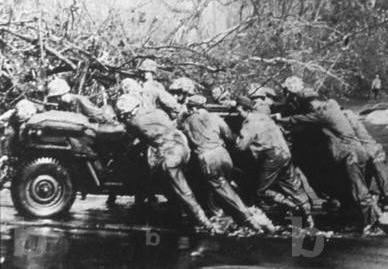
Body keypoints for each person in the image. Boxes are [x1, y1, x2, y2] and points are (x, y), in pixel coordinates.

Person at [276, 87, 379, 231]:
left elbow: (303, 119)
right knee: (353, 190)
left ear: (315, 101)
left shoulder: (324, 112)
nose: (309, 108)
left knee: (359, 192)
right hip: (356, 152)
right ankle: (364, 221)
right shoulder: (331, 106)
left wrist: (280, 119)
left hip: (351, 155)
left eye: (309, 104)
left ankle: (370, 225)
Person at [114, 93, 213, 230]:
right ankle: (183, 210)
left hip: (170, 155)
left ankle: (204, 223)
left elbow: (124, 135)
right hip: (183, 146)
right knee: (167, 181)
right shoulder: (158, 112)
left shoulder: (134, 122)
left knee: (182, 190)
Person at [180, 94, 269, 232]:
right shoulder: (215, 117)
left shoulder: (187, 122)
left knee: (223, 190)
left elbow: (188, 142)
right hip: (223, 154)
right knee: (226, 186)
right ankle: (238, 213)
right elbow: (230, 137)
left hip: (207, 157)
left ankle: (249, 219)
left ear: (191, 108)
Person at [235, 95, 315, 228]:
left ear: (246, 110)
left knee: (262, 191)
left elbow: (241, 146)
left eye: (240, 112)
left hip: (272, 156)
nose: (239, 114)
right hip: (285, 153)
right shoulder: (264, 117)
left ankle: (292, 206)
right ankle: (309, 221)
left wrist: (234, 139)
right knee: (294, 187)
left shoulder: (249, 124)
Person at [45, 77, 117, 124]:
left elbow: (99, 115)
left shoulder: (80, 100)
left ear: (58, 97)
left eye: (53, 98)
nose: (54, 101)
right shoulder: (64, 105)